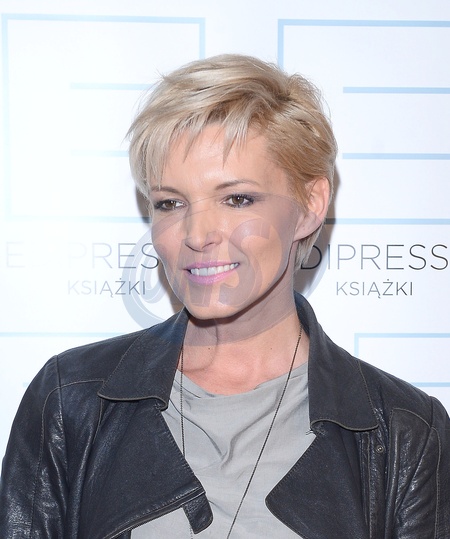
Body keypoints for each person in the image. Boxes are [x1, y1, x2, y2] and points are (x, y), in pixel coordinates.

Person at [0, 54, 449, 539]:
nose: (197, 234)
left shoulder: (404, 432)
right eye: (170, 203)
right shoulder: (70, 399)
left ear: (309, 206)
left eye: (237, 199)